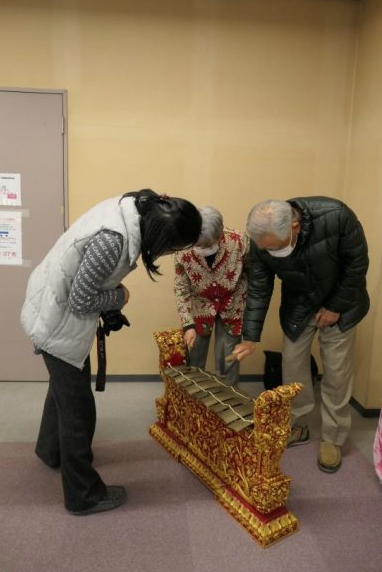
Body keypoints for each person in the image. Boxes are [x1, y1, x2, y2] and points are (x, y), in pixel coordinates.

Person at [20, 189, 202, 515]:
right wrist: (120, 298)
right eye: (173, 247)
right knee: (78, 412)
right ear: (162, 236)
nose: (170, 253)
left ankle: (50, 452)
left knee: (62, 392)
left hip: (50, 305)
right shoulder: (113, 241)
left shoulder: (133, 207)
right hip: (57, 319)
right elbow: (80, 301)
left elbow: (86, 283)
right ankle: (83, 495)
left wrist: (110, 295)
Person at [233, 197, 369, 473]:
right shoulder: (261, 240)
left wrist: (335, 307)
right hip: (298, 305)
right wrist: (250, 336)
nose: (263, 250)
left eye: (272, 247)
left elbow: (357, 265)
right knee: (292, 367)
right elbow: (259, 288)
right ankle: (297, 423)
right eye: (261, 245)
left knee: (337, 372)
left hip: (341, 303)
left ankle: (332, 438)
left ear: (295, 227)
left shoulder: (336, 216)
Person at [174, 206, 248, 385]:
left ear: (219, 235)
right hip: (199, 307)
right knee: (193, 361)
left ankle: (226, 404)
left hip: (232, 305)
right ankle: (194, 406)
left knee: (227, 361)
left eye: (207, 245)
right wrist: (187, 324)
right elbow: (181, 287)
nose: (202, 249)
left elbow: (253, 274)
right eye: (198, 245)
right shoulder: (182, 247)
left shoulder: (239, 241)